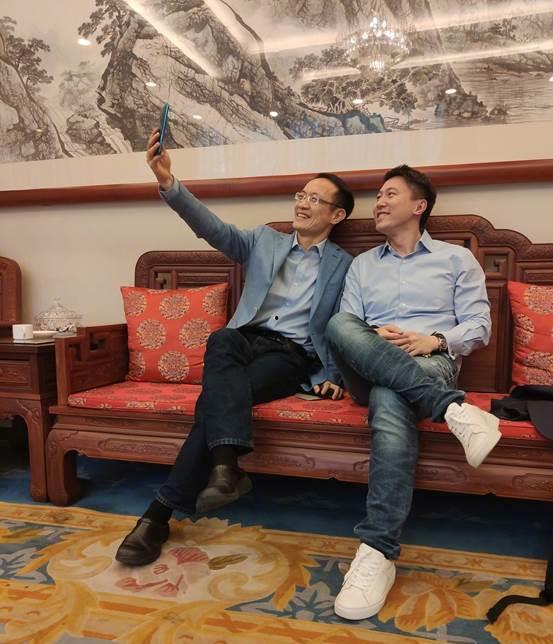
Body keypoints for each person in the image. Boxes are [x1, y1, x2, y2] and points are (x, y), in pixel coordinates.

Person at [116, 128, 354, 566]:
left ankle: (160, 513)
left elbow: (349, 321)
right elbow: (213, 228)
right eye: (300, 195)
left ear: (336, 215)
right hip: (242, 341)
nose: (302, 203)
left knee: (214, 401)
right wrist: (169, 183)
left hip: (289, 356)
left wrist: (336, 377)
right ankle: (224, 469)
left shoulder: (346, 266)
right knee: (222, 337)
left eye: (315, 199)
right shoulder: (265, 240)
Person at [325, 164, 501, 621]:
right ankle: (454, 412)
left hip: (429, 361)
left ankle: (377, 551)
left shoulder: (456, 259)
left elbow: (479, 326)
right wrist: (376, 340)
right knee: (339, 323)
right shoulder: (363, 265)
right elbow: (349, 329)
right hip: (369, 363)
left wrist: (434, 340)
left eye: (390, 194)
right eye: (378, 196)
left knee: (390, 397)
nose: (378, 203)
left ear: (419, 206)